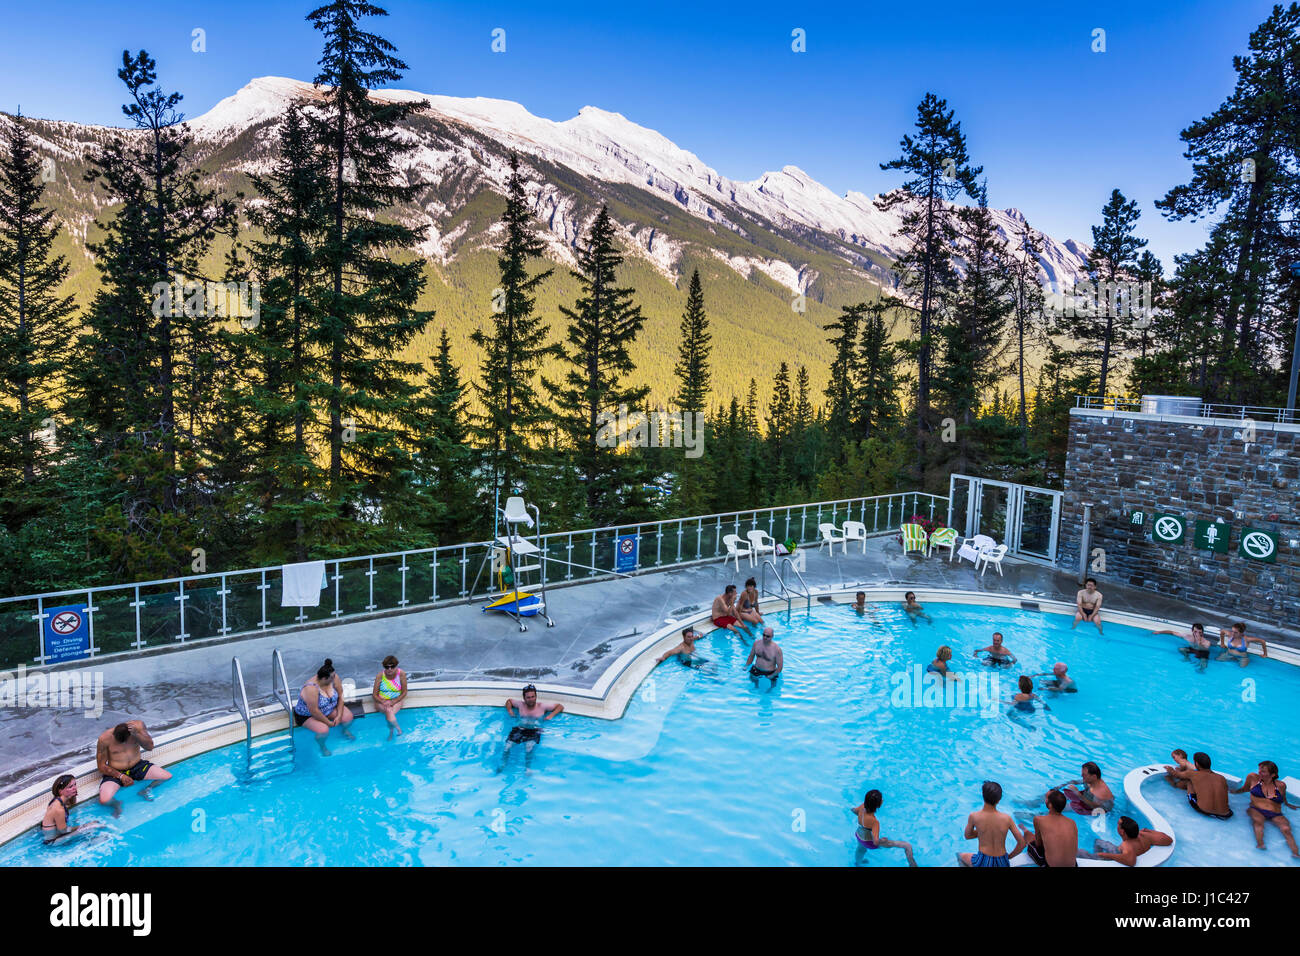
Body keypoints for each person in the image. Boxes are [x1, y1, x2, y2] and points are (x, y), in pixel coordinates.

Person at [96, 720, 172, 816]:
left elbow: (150, 747)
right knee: (104, 800)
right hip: (116, 772)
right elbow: (101, 766)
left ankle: (146, 789)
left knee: (166, 776)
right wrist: (121, 776)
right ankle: (116, 804)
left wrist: (137, 734)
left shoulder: (138, 727)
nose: (123, 744)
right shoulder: (105, 738)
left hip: (137, 766)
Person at [1232, 760, 1299, 856]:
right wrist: (1234, 792)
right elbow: (1245, 789)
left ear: (1272, 775)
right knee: (1258, 823)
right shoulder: (1253, 778)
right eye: (1259, 769)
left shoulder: (1281, 785)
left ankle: (1296, 853)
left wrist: (1287, 804)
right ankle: (1260, 845)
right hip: (1256, 809)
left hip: (1276, 813)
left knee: (1286, 829)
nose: (1259, 772)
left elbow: (1283, 797)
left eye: (1263, 771)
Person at [293, 658, 355, 755]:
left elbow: (340, 695)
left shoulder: (334, 677)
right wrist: (328, 723)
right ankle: (322, 746)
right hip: (308, 715)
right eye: (332, 677)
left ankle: (345, 730)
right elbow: (314, 711)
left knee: (348, 717)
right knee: (323, 729)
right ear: (324, 679)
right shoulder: (311, 688)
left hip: (328, 709)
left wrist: (339, 716)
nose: (335, 678)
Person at [958, 780, 1026, 867]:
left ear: (983, 796)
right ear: (999, 799)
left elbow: (968, 836)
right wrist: (1009, 857)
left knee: (960, 855)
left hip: (983, 861)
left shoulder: (974, 816)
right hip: (1002, 861)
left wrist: (983, 832)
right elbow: (1022, 843)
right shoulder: (1006, 818)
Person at [501, 684, 564, 770]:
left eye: (533, 696)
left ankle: (528, 768)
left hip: (535, 730)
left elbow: (560, 706)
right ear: (524, 698)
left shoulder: (542, 706)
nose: (531, 699)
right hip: (520, 729)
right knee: (507, 747)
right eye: (528, 697)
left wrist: (550, 716)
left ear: (536, 696)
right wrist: (510, 711)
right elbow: (509, 701)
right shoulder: (520, 704)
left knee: (528, 748)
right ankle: (503, 765)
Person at [850, 789, 917, 867]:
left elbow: (854, 811)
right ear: (879, 804)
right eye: (881, 799)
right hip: (869, 842)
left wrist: (862, 818)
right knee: (907, 846)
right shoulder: (874, 822)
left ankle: (858, 863)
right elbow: (875, 842)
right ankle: (913, 865)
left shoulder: (862, 806)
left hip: (859, 835)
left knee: (861, 849)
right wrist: (882, 840)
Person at [1020, 789, 1078, 867]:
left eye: (1047, 799)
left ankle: (1025, 831)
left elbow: (1038, 845)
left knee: (1029, 839)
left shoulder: (1039, 819)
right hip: (1073, 865)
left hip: (1049, 865)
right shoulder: (1072, 822)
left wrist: (1028, 834)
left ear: (1050, 805)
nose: (1045, 800)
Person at [1082, 816, 1172, 866]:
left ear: (1122, 831)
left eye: (1118, 824)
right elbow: (1168, 840)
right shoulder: (1145, 835)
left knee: (1097, 843)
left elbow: (1131, 861)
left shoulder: (1127, 845)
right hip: (1137, 849)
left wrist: (1106, 855)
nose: (1116, 826)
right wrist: (1149, 830)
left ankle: (1099, 861)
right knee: (1099, 842)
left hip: (1120, 853)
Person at [1168, 751, 1233, 819]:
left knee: (1189, 782)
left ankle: (1174, 785)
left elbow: (1176, 775)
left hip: (1204, 811)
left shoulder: (1192, 774)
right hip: (1226, 814)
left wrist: (1170, 770)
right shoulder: (1221, 778)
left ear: (1197, 764)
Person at [42, 775, 96, 844]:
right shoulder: (58, 809)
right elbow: (63, 831)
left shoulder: (57, 800)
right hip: (53, 842)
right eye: (70, 787)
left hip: (55, 836)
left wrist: (72, 795)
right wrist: (84, 825)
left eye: (75, 785)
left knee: (89, 828)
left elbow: (72, 803)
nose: (75, 788)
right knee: (92, 826)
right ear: (60, 791)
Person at [371, 655, 408, 739]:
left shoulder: (401, 674)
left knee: (389, 711)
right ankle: (398, 729)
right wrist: (383, 702)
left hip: (397, 700)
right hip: (381, 701)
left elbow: (404, 692)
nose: (389, 669)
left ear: (396, 666)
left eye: (392, 666)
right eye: (387, 667)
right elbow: (374, 695)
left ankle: (391, 732)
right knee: (389, 710)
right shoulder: (380, 675)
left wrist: (393, 701)